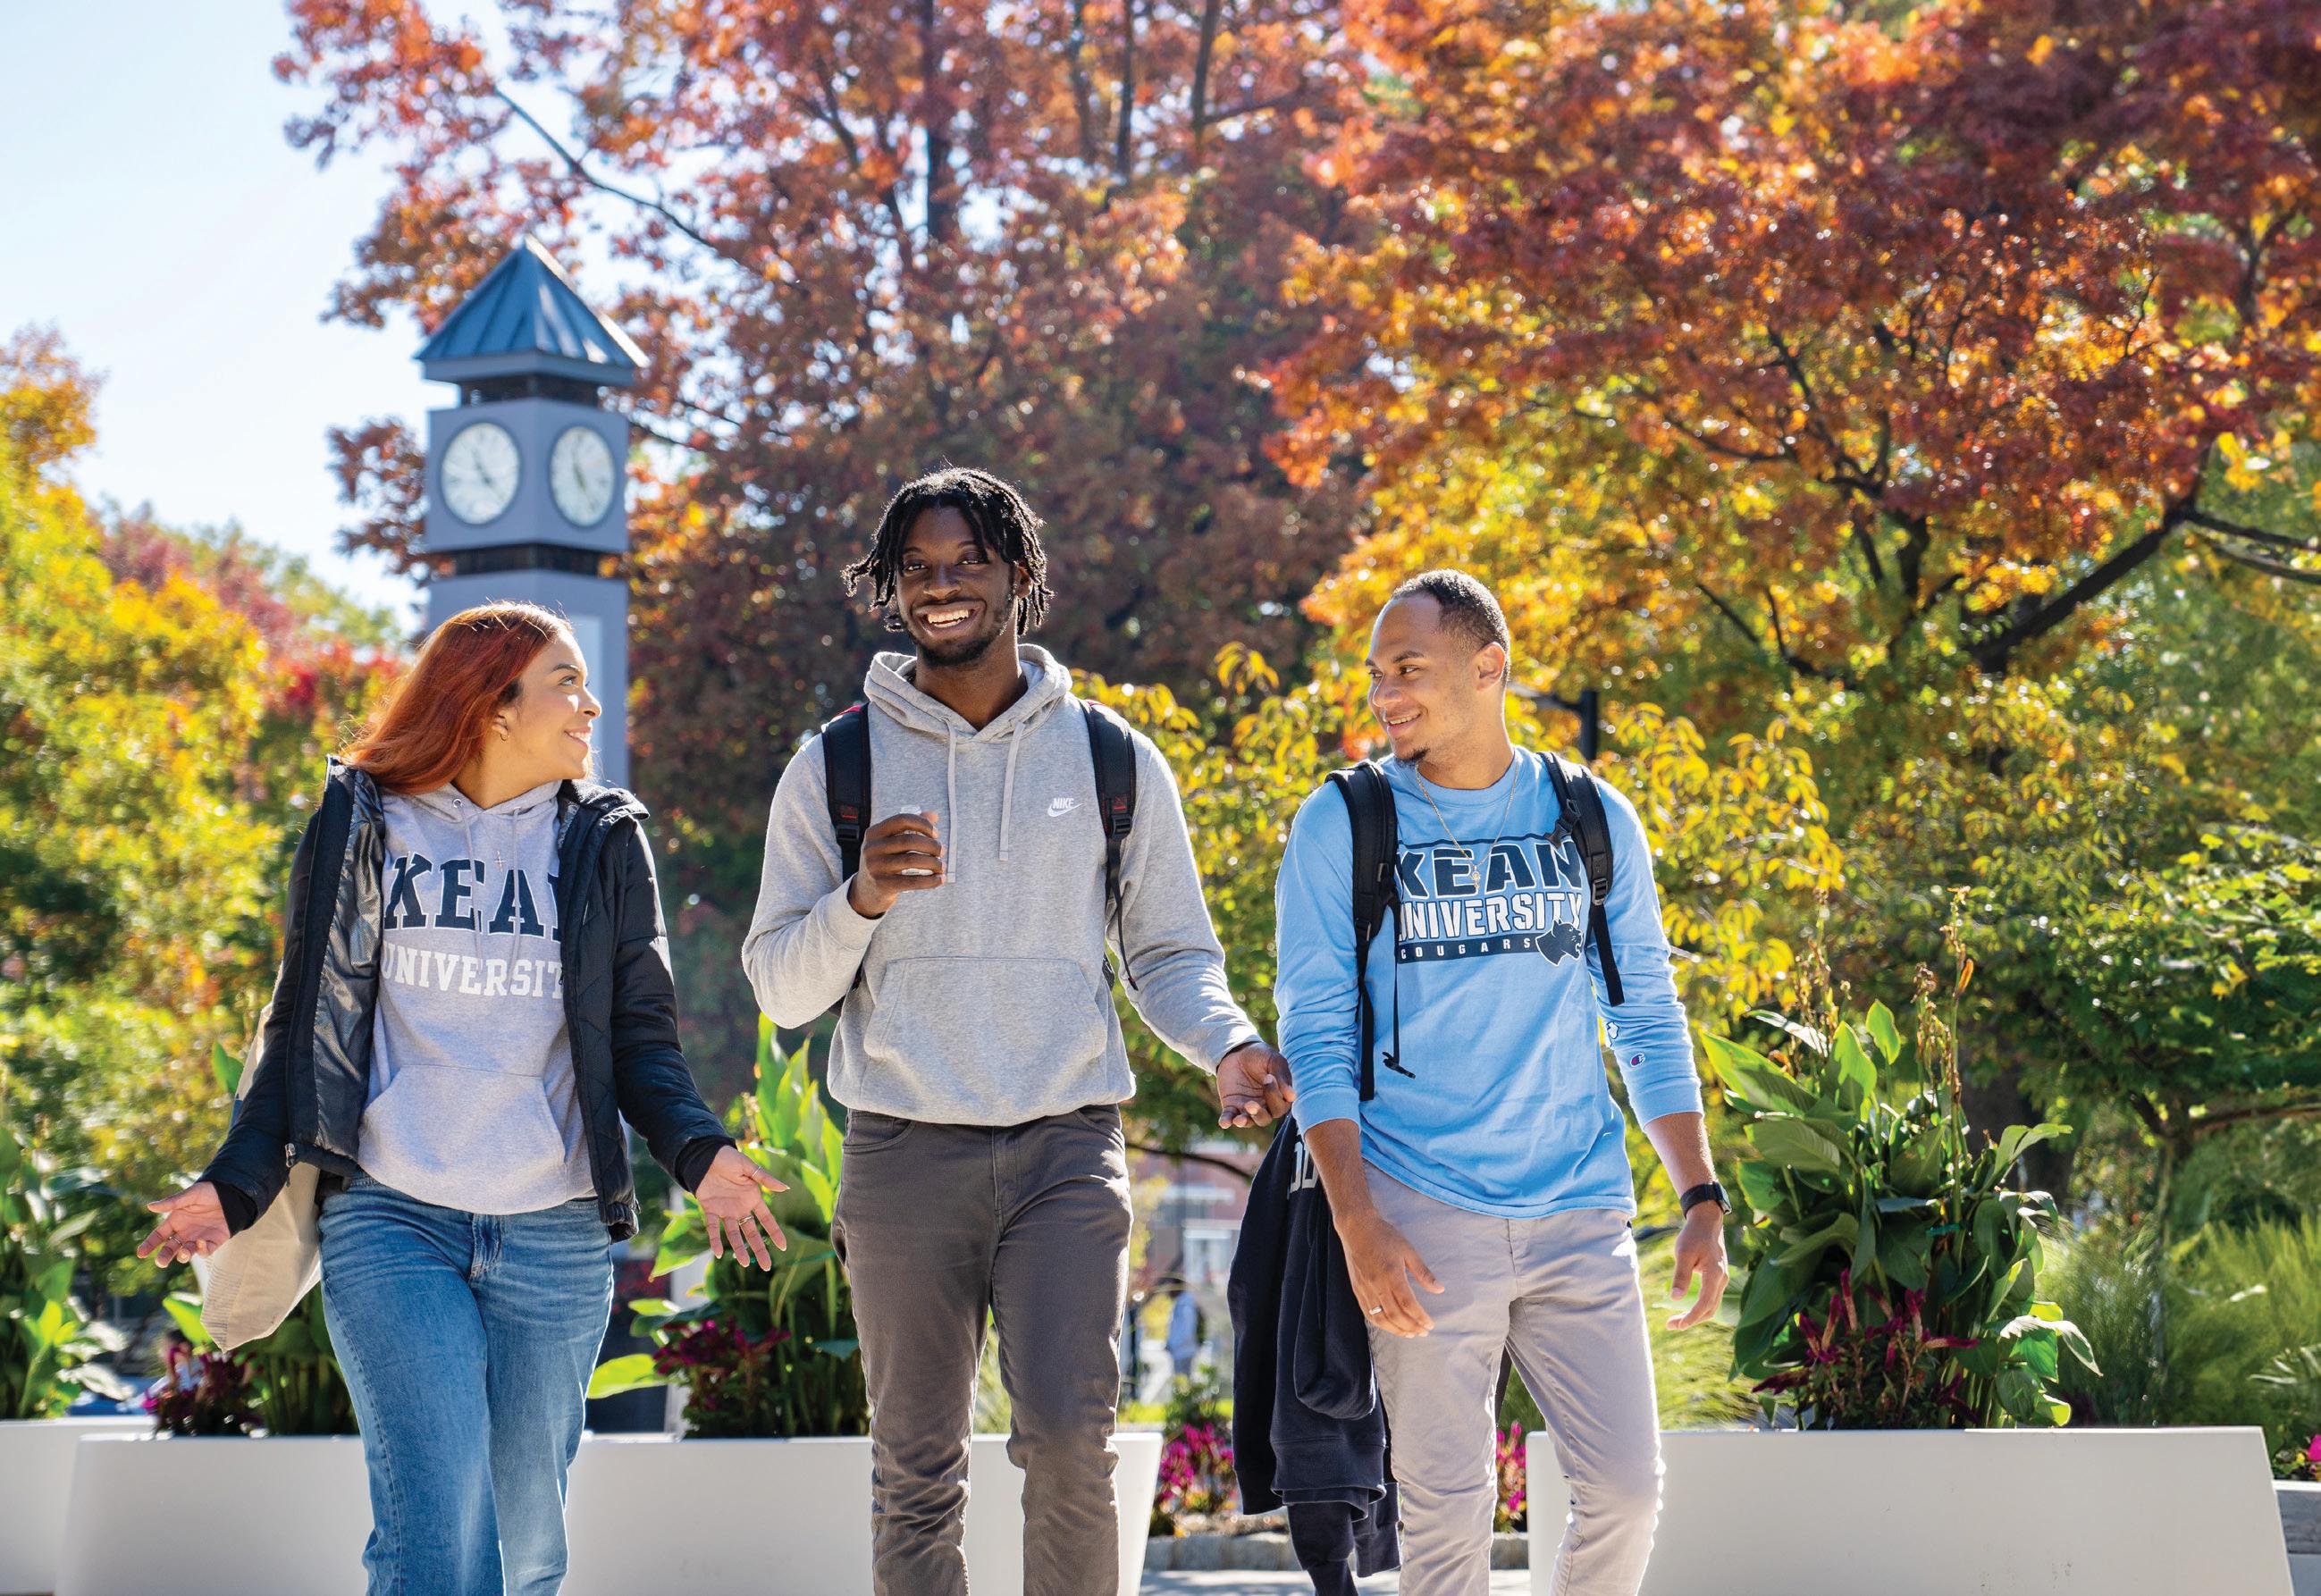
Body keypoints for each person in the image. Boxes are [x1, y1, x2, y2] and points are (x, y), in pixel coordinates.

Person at [139, 602, 787, 1596]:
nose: (591, 705)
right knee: (434, 1526)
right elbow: (302, 1023)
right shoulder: (366, 822)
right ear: (492, 707)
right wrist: (232, 1185)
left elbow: (641, 1039)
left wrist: (700, 1152)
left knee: (525, 1545)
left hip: (555, 1232)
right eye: (566, 683)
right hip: (392, 1216)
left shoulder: (604, 841)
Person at [741, 466, 1294, 1596]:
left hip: (1064, 1147)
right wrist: (859, 898)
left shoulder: (1108, 757)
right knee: (914, 1467)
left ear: (1019, 575)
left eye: (966, 563)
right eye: (916, 569)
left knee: (1070, 1443)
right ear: (891, 589)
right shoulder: (835, 764)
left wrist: (1228, 1041)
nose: (939, 587)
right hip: (902, 1151)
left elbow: (1167, 953)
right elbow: (781, 987)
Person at [1273, 570, 1732, 1596]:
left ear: (1488, 668)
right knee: (1445, 1517)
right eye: (1375, 674)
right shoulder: (1343, 821)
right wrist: (1357, 1221)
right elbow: (1315, 1029)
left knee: (1625, 1492)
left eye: (1408, 669)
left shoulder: (1588, 815)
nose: (1384, 695)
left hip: (1578, 1204)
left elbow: (1643, 1014)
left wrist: (1698, 1191)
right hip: (1420, 1210)